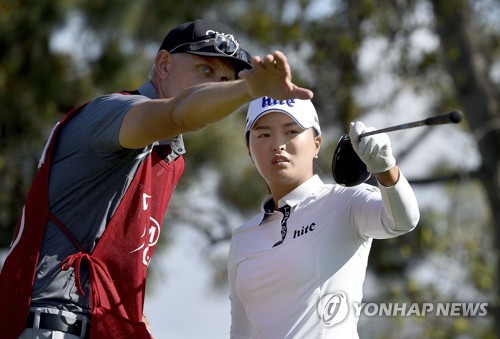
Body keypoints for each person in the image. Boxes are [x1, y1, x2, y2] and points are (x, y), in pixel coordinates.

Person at [0, 19, 313, 339]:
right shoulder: (117, 113)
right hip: (54, 324)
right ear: (163, 64)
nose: (218, 86)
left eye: (225, 79)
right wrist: (248, 88)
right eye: (205, 70)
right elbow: (179, 113)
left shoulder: (169, 155)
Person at [228, 97, 420, 338]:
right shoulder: (243, 237)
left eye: (291, 132)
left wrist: (385, 169)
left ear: (316, 143)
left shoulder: (344, 201)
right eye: (264, 135)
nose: (278, 144)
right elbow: (241, 332)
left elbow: (403, 220)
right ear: (249, 150)